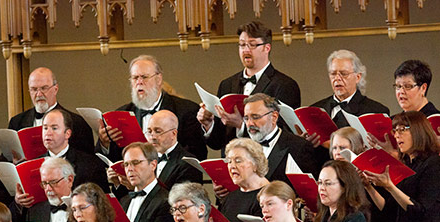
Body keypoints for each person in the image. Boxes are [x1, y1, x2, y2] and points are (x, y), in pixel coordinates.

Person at [197, 21, 300, 155]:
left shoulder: (285, 85)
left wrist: (241, 125)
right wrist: (208, 124)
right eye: (242, 44)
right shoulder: (226, 84)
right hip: (231, 164)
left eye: (252, 44)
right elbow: (217, 143)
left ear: (266, 48)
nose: (246, 50)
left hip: (265, 165)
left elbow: (284, 137)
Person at [96, 55, 207, 161]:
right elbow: (114, 158)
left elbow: (197, 154)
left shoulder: (186, 110)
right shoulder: (122, 113)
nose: (139, 82)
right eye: (135, 78)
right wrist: (105, 144)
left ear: (158, 79)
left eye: (144, 77)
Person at [8, 67, 94, 154]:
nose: (39, 94)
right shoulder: (16, 122)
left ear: (55, 89)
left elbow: (87, 161)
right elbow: (7, 157)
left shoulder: (77, 123)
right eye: (34, 89)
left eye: (44, 88)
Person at [38, 108, 108, 192]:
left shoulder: (91, 165)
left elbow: (102, 200)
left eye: (54, 128)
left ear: (67, 134)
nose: (48, 133)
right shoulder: (33, 165)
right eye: (45, 128)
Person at [220, 138, 269, 222]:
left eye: (238, 161)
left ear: (255, 164)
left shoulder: (269, 196)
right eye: (229, 161)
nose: (232, 166)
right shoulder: (231, 197)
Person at [145, 110, 203, 189]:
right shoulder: (145, 160)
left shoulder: (188, 163)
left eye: (158, 131)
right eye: (149, 131)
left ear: (173, 134)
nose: (152, 137)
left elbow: (183, 198)